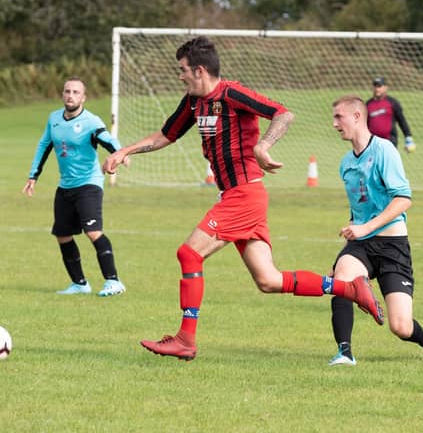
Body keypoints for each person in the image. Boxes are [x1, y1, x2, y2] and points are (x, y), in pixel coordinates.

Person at [102, 36, 384, 361]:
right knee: (268, 280)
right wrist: (125, 150)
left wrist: (263, 146)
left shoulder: (231, 93)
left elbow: (283, 114)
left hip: (244, 194)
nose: (179, 76)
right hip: (237, 195)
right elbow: (167, 135)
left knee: (189, 254)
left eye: (182, 70)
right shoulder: (193, 101)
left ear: (199, 70)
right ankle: (349, 288)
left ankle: (185, 339)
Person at [328, 95, 423, 366]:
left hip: (392, 245)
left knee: (401, 326)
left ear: (357, 117)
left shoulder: (384, 150)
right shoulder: (345, 164)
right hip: (362, 245)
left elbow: (403, 199)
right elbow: (359, 208)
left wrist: (366, 227)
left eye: (339, 117)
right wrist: (346, 249)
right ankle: (345, 353)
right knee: (342, 282)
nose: (334, 124)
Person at [23, 77, 126, 297]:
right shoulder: (54, 119)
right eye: (67, 91)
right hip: (65, 186)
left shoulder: (91, 121)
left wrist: (120, 154)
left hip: (89, 183)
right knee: (63, 234)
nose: (71, 95)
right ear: (63, 95)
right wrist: (33, 175)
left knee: (92, 231)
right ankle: (80, 283)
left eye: (76, 92)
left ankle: (113, 281)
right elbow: (44, 145)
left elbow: (108, 140)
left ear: (83, 97)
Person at [366, 76, 416, 152]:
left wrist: (408, 137)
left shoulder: (392, 102)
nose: (377, 89)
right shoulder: (368, 105)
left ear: (386, 88)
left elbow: (402, 121)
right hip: (372, 143)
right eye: (375, 86)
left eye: (379, 86)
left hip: (390, 141)